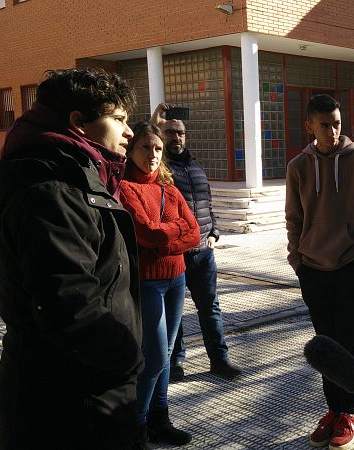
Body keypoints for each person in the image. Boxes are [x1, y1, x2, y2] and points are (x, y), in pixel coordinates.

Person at [0, 68, 144, 448]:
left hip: (84, 387)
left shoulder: (79, 178)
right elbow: (69, 306)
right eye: (118, 119)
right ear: (78, 123)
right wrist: (128, 359)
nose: (130, 131)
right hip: (70, 399)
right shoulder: (55, 192)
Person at [285, 94, 354, 449]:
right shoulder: (299, 166)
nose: (331, 131)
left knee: (349, 344)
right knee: (325, 346)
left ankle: (350, 413)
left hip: (347, 267)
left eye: (337, 124)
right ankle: (333, 409)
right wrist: (297, 259)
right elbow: (294, 219)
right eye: (324, 124)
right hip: (312, 270)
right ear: (310, 125)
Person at [119, 122, 200, 446]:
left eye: (157, 149)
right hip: (148, 283)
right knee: (153, 357)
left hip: (176, 279)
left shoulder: (170, 187)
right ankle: (134, 428)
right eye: (145, 147)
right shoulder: (126, 188)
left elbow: (194, 233)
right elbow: (146, 233)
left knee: (165, 355)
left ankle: (159, 419)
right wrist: (172, 233)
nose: (152, 154)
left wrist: (164, 241)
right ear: (131, 150)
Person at [149, 103, 242, 382]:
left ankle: (219, 359)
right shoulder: (159, 169)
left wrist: (213, 232)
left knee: (210, 307)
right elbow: (140, 151)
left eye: (180, 133)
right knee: (173, 312)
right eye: (169, 133)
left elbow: (207, 204)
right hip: (175, 255)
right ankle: (175, 364)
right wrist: (154, 124)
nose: (176, 137)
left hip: (203, 253)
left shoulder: (195, 166)